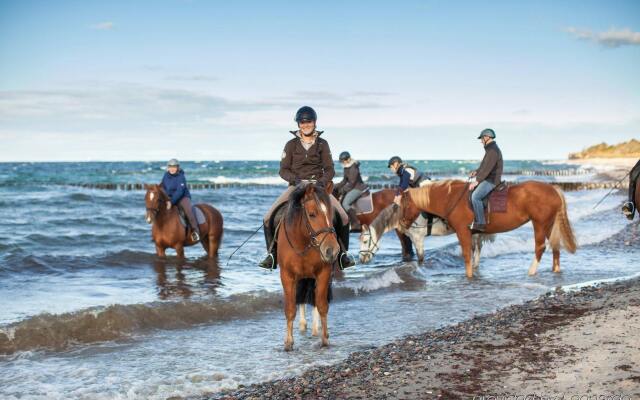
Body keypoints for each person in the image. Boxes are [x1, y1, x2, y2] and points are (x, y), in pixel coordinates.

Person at [259, 106, 355, 270]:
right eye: (302, 122)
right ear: (298, 124)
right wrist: (295, 180)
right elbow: (283, 170)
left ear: (314, 122)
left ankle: (343, 255)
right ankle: (272, 255)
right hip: (295, 186)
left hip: (318, 186)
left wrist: (322, 183)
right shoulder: (290, 145)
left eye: (308, 121)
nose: (306, 125)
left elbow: (330, 169)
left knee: (344, 217)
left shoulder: (323, 144)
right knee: (268, 218)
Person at [468, 128, 503, 232]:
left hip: (492, 180)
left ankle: (480, 223)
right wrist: (476, 172)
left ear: (487, 137)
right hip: (489, 178)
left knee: (475, 197)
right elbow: (485, 166)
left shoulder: (492, 150)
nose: (481, 141)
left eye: (482, 139)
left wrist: (477, 181)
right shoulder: (490, 149)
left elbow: (488, 169)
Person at [161, 159, 200, 242]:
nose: (172, 169)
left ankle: (195, 231)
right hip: (169, 198)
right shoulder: (165, 175)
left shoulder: (181, 177)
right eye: (170, 167)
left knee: (188, 211)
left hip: (183, 197)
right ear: (168, 168)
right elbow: (162, 187)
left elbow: (180, 191)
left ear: (178, 168)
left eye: (174, 167)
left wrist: (171, 202)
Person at [334, 151, 368, 231]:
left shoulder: (353, 167)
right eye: (342, 161)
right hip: (352, 187)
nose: (342, 162)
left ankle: (356, 223)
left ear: (348, 159)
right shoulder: (346, 167)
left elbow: (352, 183)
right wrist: (335, 186)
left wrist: (342, 190)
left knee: (345, 204)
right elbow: (344, 181)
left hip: (358, 188)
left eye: (343, 161)